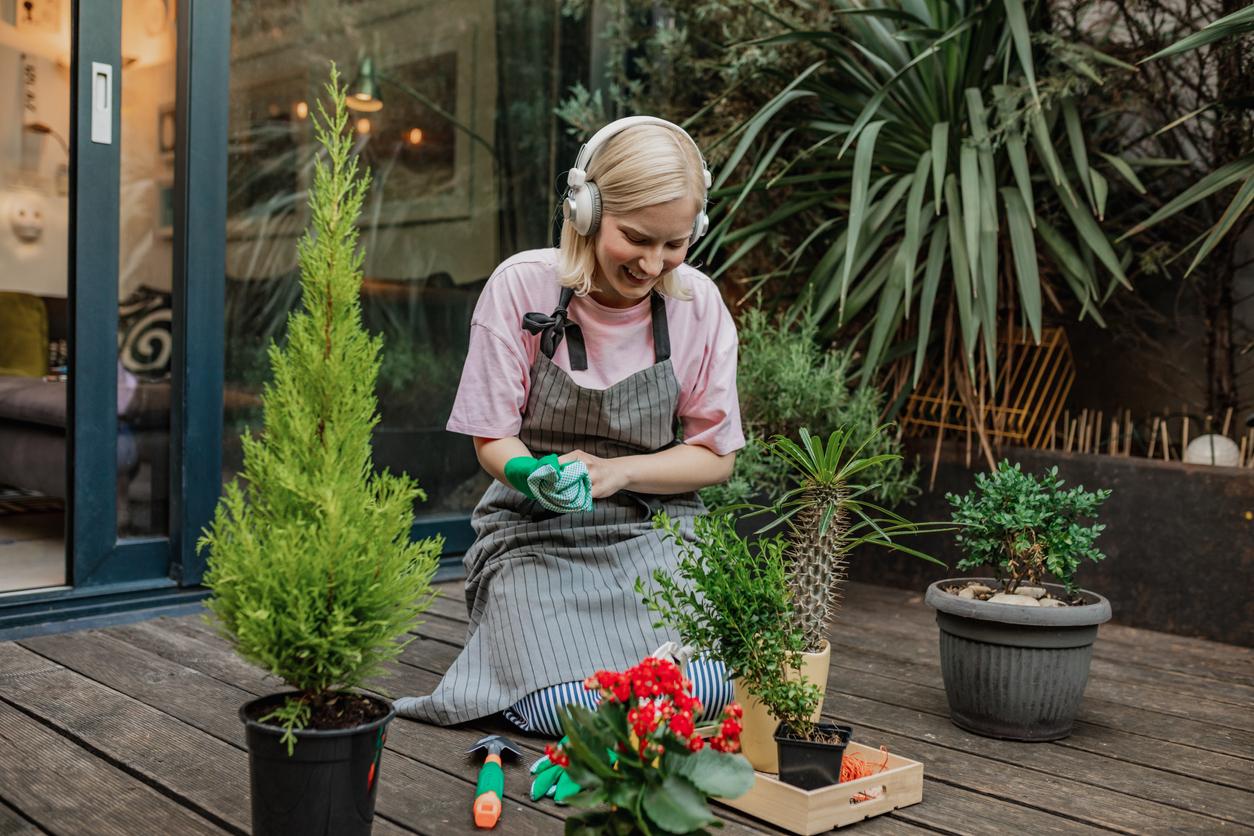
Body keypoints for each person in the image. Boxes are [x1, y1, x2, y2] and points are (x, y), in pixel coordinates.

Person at [394, 116, 743, 738]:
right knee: (565, 709)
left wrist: (622, 472)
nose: (653, 263)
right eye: (636, 238)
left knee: (713, 687)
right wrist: (530, 472)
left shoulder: (698, 304)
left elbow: (715, 457)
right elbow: (491, 439)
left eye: (676, 244)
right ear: (584, 210)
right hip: (534, 533)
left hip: (657, 528)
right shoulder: (520, 286)